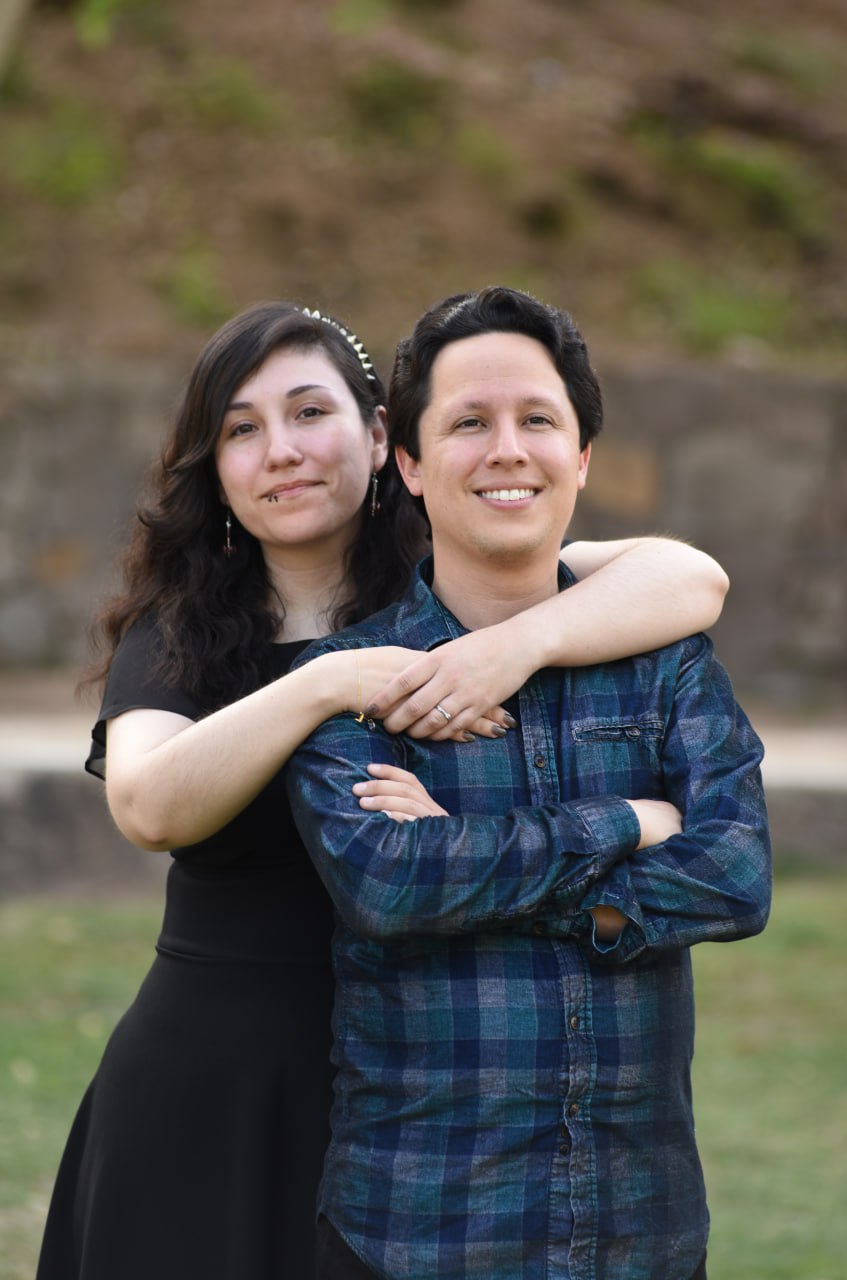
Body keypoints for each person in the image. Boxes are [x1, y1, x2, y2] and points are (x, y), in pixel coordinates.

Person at [36, 299, 731, 1280]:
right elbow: (148, 805)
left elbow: (691, 578)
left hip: (423, 1087)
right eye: (241, 429)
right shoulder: (183, 630)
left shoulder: (450, 584)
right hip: (217, 1078)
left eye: (308, 412)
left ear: (378, 439)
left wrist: (518, 643)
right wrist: (325, 681)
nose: (281, 449)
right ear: (215, 468)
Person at [286, 286, 772, 1280]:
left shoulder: (667, 663)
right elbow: (391, 884)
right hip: (416, 1232)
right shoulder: (355, 681)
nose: (507, 449)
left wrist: (474, 862)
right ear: (408, 462)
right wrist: (626, 821)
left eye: (537, 420)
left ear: (580, 455)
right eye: (469, 423)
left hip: (638, 1232)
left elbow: (734, 875)